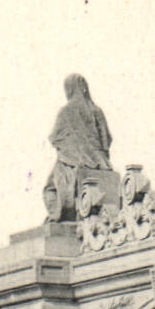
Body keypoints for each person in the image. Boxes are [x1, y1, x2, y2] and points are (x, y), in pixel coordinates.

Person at [44, 74, 114, 221]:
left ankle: (59, 215)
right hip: (102, 164)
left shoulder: (65, 111)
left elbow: (55, 138)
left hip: (73, 162)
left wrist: (74, 153)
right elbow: (107, 138)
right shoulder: (96, 110)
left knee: (50, 187)